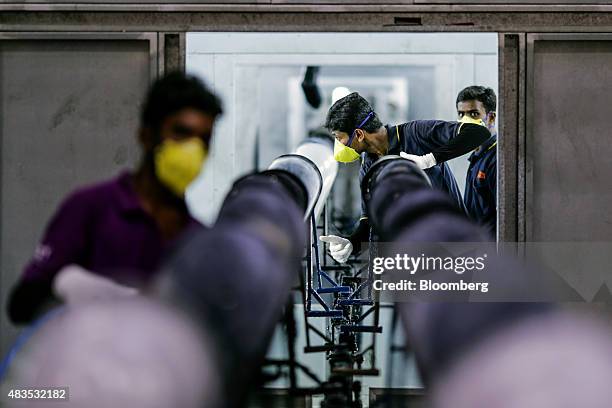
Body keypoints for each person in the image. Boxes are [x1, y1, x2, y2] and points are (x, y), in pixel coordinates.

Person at [7, 72, 223, 324]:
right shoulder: (91, 209)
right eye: (181, 133)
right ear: (147, 136)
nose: (192, 150)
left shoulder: (197, 239)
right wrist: (68, 288)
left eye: (203, 140)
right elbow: (20, 306)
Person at [319, 92, 490, 263]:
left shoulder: (416, 134)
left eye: (339, 137)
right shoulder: (368, 166)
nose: (339, 144)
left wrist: (430, 159)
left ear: (359, 134)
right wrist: (352, 242)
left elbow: (478, 133)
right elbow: (369, 218)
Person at [456, 86, 498, 238]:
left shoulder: (497, 160)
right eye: (461, 114)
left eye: (474, 114)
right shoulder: (477, 156)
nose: (465, 121)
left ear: (491, 118)